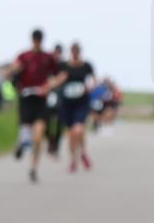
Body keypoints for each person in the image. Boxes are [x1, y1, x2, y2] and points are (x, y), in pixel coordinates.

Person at [6, 29, 63, 184]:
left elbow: (61, 74)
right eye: (35, 39)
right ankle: (22, 143)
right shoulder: (23, 56)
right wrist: (12, 71)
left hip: (41, 99)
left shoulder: (47, 57)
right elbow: (11, 70)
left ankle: (33, 168)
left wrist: (50, 84)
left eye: (39, 39)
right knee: (26, 133)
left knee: (38, 136)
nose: (37, 42)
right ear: (32, 40)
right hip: (26, 98)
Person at [59, 42, 96, 172]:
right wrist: (59, 80)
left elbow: (92, 80)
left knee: (78, 130)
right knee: (71, 134)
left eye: (77, 51)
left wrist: (89, 87)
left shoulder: (86, 66)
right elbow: (56, 79)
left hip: (81, 101)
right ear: (70, 52)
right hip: (67, 102)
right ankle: (73, 160)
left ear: (79, 52)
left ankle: (83, 153)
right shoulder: (63, 66)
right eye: (73, 51)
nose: (75, 53)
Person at [45, 43, 66, 158]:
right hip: (48, 96)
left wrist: (53, 82)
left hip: (60, 97)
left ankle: (56, 147)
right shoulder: (48, 64)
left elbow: (63, 77)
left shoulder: (63, 65)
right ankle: (50, 141)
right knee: (46, 122)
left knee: (59, 124)